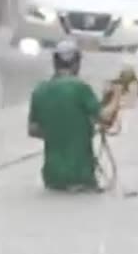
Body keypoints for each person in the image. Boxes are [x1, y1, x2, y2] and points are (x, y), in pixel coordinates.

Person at [28, 39, 111, 193]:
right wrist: (114, 97)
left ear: (55, 63)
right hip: (81, 178)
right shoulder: (81, 89)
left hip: (52, 179)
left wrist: (58, 134)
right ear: (76, 63)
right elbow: (105, 118)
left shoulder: (39, 91)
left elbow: (33, 130)